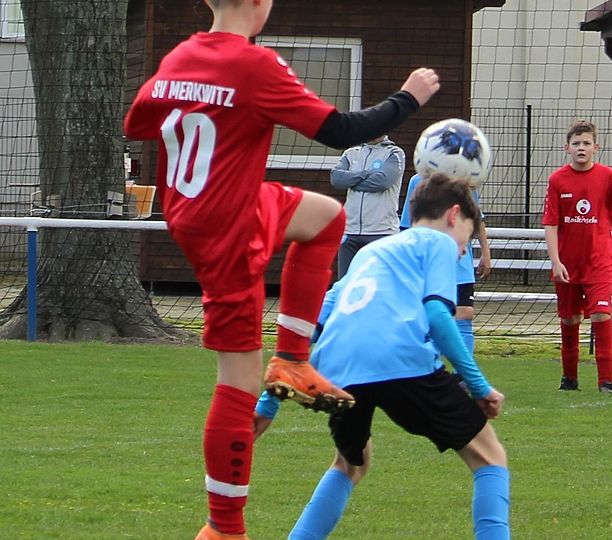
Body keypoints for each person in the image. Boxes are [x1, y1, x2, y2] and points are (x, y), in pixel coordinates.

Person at [123, 1, 439, 538]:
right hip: (227, 226)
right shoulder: (254, 65)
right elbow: (341, 130)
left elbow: (139, 122)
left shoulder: (180, 57)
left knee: (327, 219)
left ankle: (292, 358)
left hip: (215, 204)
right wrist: (408, 96)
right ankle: (224, 527)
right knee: (238, 381)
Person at [255, 174, 510, 540]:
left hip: (338, 367)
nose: (460, 253)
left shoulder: (371, 253)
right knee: (490, 457)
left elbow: (314, 320)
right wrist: (481, 387)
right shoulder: (438, 242)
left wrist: (267, 404)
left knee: (351, 464)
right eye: (465, 241)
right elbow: (439, 317)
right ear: (454, 215)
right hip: (402, 359)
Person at [542, 120, 612, 394]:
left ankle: (606, 381)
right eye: (576, 143)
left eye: (586, 143)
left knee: (601, 314)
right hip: (569, 263)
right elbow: (551, 223)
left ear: (596, 147)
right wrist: (556, 261)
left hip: (600, 260)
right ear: (567, 148)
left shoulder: (607, 176)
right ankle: (569, 378)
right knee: (570, 319)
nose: (581, 148)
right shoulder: (557, 180)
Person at [400, 173, 492, 352]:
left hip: (460, 263)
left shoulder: (466, 182)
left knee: (465, 314)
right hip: (428, 263)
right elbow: (407, 224)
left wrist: (486, 253)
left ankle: (463, 369)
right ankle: (430, 364)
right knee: (430, 315)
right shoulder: (417, 181)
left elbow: (476, 219)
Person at [330, 134, 405, 279]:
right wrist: (366, 174)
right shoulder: (351, 153)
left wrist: (352, 181)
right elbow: (336, 179)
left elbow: (382, 182)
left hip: (381, 232)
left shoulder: (394, 153)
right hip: (350, 232)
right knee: (346, 284)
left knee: (378, 284)